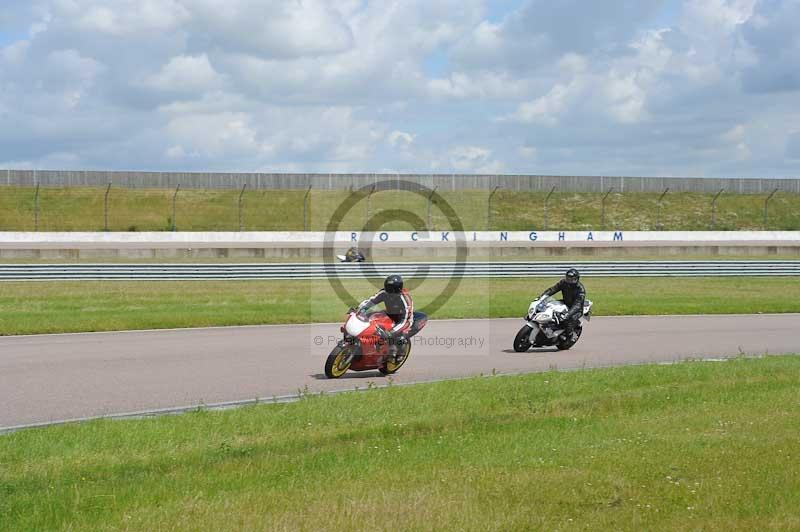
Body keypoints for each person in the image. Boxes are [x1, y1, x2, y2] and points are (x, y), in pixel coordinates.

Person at [358, 274, 414, 360]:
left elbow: (406, 321)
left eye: (391, 289)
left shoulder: (405, 299)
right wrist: (360, 310)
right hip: (389, 314)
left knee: (398, 336)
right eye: (387, 288)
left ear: (398, 288)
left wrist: (391, 332)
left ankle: (400, 353)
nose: (389, 291)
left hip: (403, 320)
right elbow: (371, 301)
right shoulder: (384, 292)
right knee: (371, 318)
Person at [538, 268, 586, 342]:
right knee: (549, 306)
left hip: (576, 309)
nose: (569, 281)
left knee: (568, 320)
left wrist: (568, 314)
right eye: (568, 278)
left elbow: (578, 304)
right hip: (565, 302)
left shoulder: (580, 290)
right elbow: (553, 289)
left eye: (572, 279)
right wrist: (543, 296)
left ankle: (570, 335)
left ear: (577, 279)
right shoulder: (563, 283)